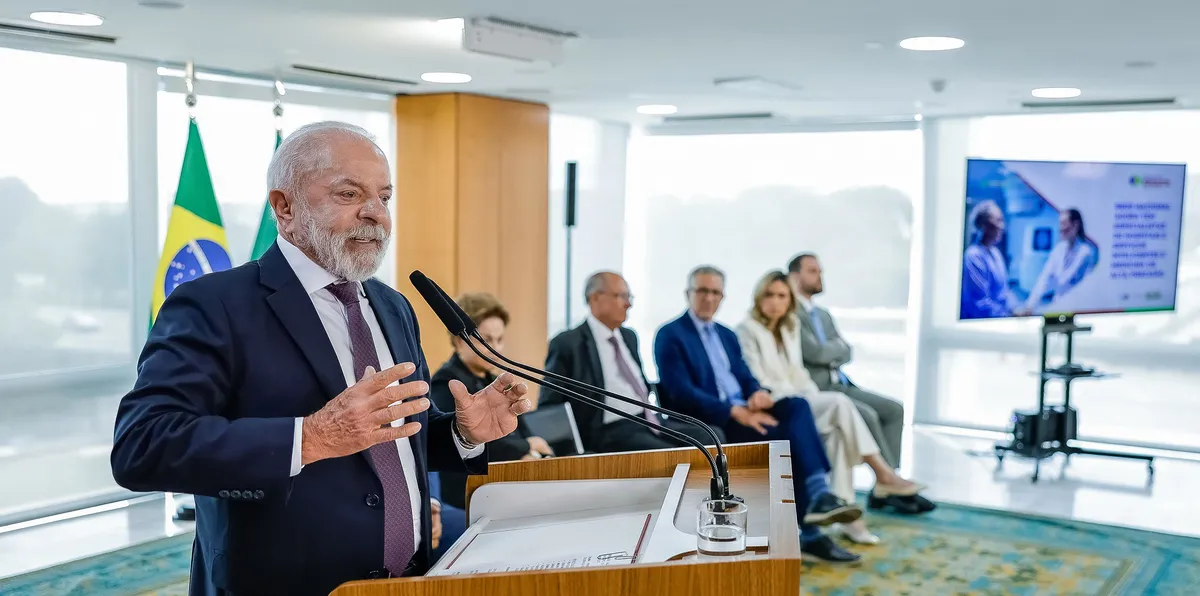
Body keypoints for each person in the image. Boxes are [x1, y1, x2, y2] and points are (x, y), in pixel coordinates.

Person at [110, 121, 533, 596]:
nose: (376, 215)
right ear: (284, 207)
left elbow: (391, 438)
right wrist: (310, 437)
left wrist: (460, 432)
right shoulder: (215, 305)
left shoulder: (393, 306)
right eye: (350, 195)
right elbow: (141, 447)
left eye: (385, 197)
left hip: (410, 581)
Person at [654, 265, 863, 563]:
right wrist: (735, 411)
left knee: (797, 405)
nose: (708, 298)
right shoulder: (670, 334)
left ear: (723, 296)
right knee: (788, 441)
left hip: (748, 408)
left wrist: (757, 392)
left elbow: (744, 375)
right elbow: (681, 392)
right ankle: (811, 532)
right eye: (702, 291)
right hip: (716, 421)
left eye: (715, 292)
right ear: (688, 293)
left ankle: (819, 493)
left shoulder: (726, 335)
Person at [735, 271, 930, 544]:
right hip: (778, 402)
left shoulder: (790, 326)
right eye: (769, 295)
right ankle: (883, 473)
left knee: (838, 434)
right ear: (758, 297)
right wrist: (797, 394)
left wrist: (806, 392)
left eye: (782, 296)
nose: (776, 302)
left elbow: (799, 372)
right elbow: (758, 378)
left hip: (802, 396)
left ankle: (849, 518)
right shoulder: (746, 329)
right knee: (839, 402)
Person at [789, 253, 934, 515]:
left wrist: (830, 351)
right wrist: (832, 351)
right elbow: (816, 354)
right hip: (820, 389)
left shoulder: (822, 314)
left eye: (820, 271)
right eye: (813, 271)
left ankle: (887, 481)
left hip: (842, 383)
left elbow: (847, 350)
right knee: (866, 414)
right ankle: (887, 482)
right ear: (794, 276)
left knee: (893, 409)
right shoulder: (790, 312)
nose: (820, 276)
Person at [543, 271, 723, 452]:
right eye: (620, 296)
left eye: (629, 297)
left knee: (712, 436)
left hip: (648, 419)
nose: (628, 305)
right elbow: (549, 403)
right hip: (611, 429)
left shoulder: (628, 336)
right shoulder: (568, 343)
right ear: (595, 297)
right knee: (667, 454)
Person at [429, 292, 553, 509]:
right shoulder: (446, 383)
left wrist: (530, 451)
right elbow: (470, 441)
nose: (495, 348)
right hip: (471, 492)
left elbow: (520, 429)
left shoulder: (491, 379)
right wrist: (527, 447)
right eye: (487, 340)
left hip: (502, 481)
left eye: (500, 339)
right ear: (460, 342)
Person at [1020, 208, 1098, 313]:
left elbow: (1066, 280)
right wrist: (1029, 306)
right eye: (1060, 223)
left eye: (1064, 223)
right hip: (1059, 304)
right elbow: (1044, 278)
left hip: (1078, 308)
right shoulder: (1059, 249)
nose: (1060, 228)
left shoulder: (1085, 253)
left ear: (1075, 225)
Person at [959, 200, 1020, 318]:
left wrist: (1016, 308)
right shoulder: (974, 257)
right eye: (998, 221)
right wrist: (1009, 314)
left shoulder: (995, 253)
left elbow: (1004, 291)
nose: (1002, 226)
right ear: (983, 225)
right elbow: (979, 304)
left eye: (1002, 220)